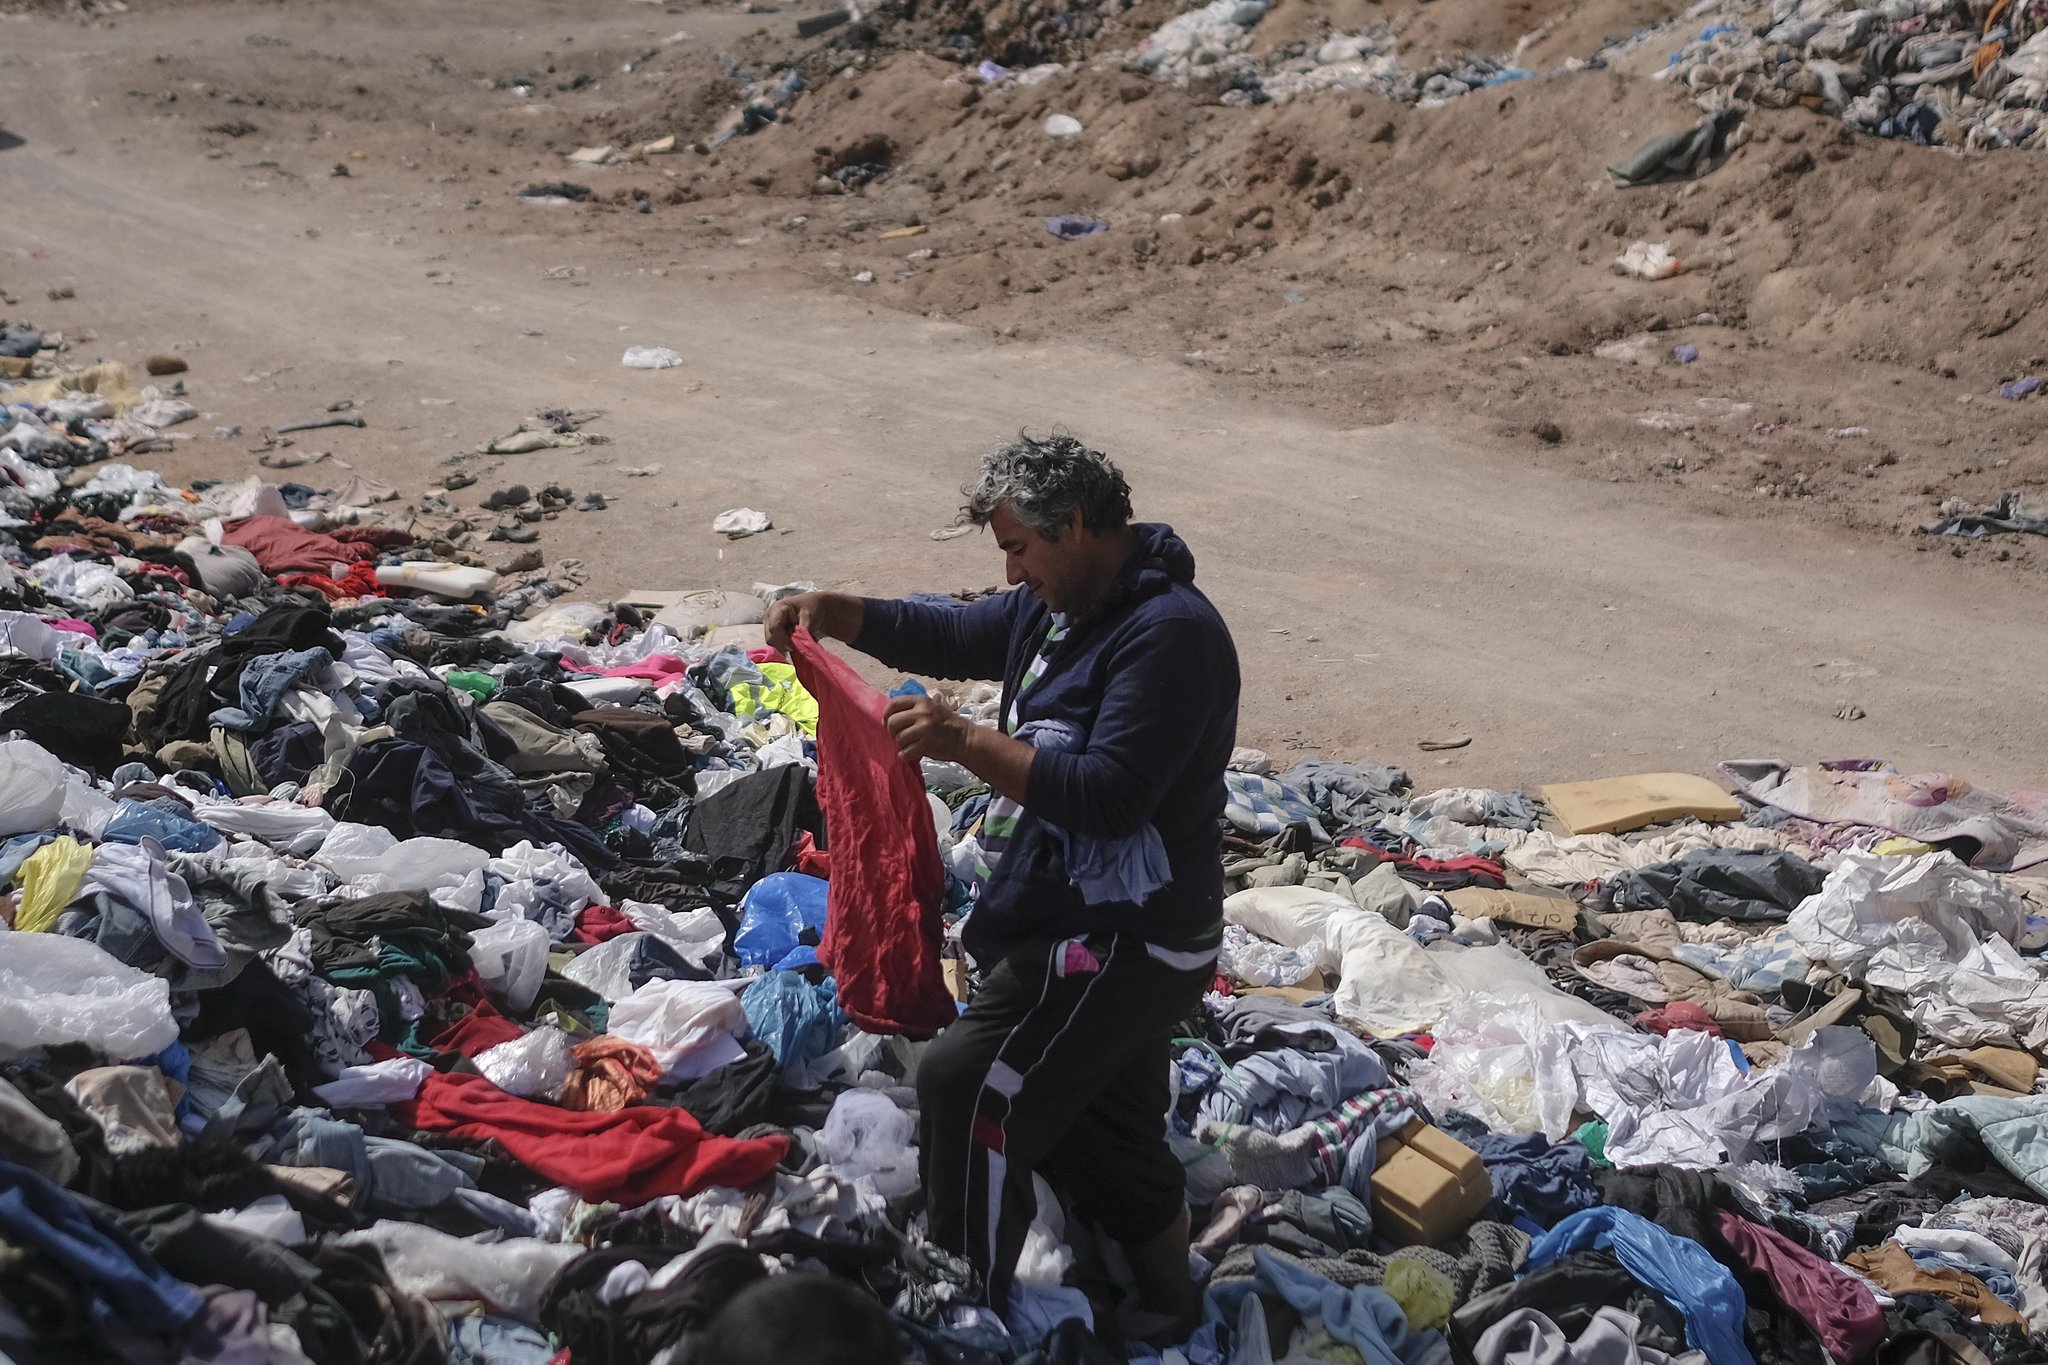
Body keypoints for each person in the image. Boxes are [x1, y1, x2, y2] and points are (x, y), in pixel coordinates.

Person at [765, 433, 1240, 1334]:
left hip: (1128, 938)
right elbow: (953, 628)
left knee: (964, 1082)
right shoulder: (1058, 609)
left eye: (1020, 549)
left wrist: (966, 742)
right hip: (1069, 910)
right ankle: (1173, 1304)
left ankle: (962, 1307)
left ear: (1074, 527)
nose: (1014, 574)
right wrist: (835, 610)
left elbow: (1110, 796)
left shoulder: (1169, 635)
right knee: (1110, 1124)